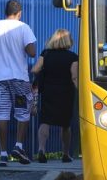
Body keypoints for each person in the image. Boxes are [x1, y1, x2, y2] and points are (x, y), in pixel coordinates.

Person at [0, 0, 37, 166]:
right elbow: (32, 52)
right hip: (18, 80)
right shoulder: (23, 27)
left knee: (1, 114)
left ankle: (3, 154)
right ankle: (19, 146)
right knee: (23, 111)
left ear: (5, 11)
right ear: (19, 13)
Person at [31, 29, 79, 163]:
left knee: (45, 121)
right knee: (65, 124)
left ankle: (41, 149)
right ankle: (65, 153)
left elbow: (35, 69)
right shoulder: (73, 57)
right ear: (68, 41)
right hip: (66, 92)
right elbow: (74, 77)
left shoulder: (45, 54)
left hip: (48, 91)